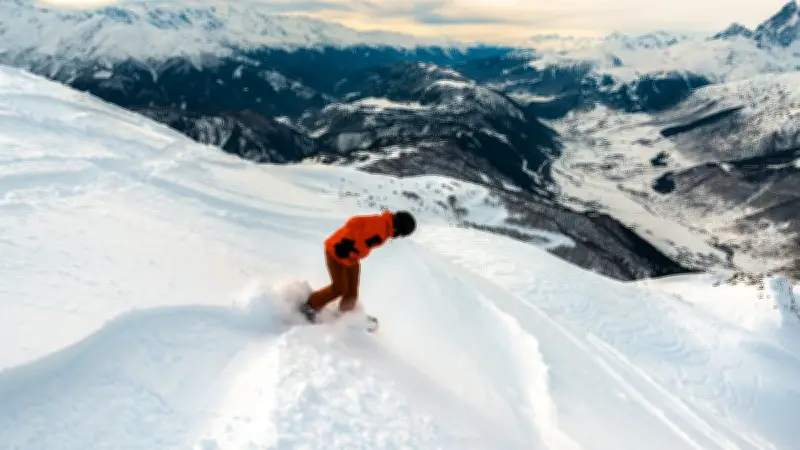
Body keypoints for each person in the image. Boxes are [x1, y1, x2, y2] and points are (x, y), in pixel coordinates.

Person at [299, 209, 417, 323]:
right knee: (339, 288)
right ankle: (309, 307)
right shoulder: (380, 228)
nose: (399, 237)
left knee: (351, 291)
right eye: (401, 234)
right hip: (335, 252)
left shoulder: (385, 227)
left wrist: (350, 247)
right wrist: (345, 241)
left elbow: (359, 227)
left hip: (351, 258)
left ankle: (344, 316)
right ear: (398, 228)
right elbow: (355, 223)